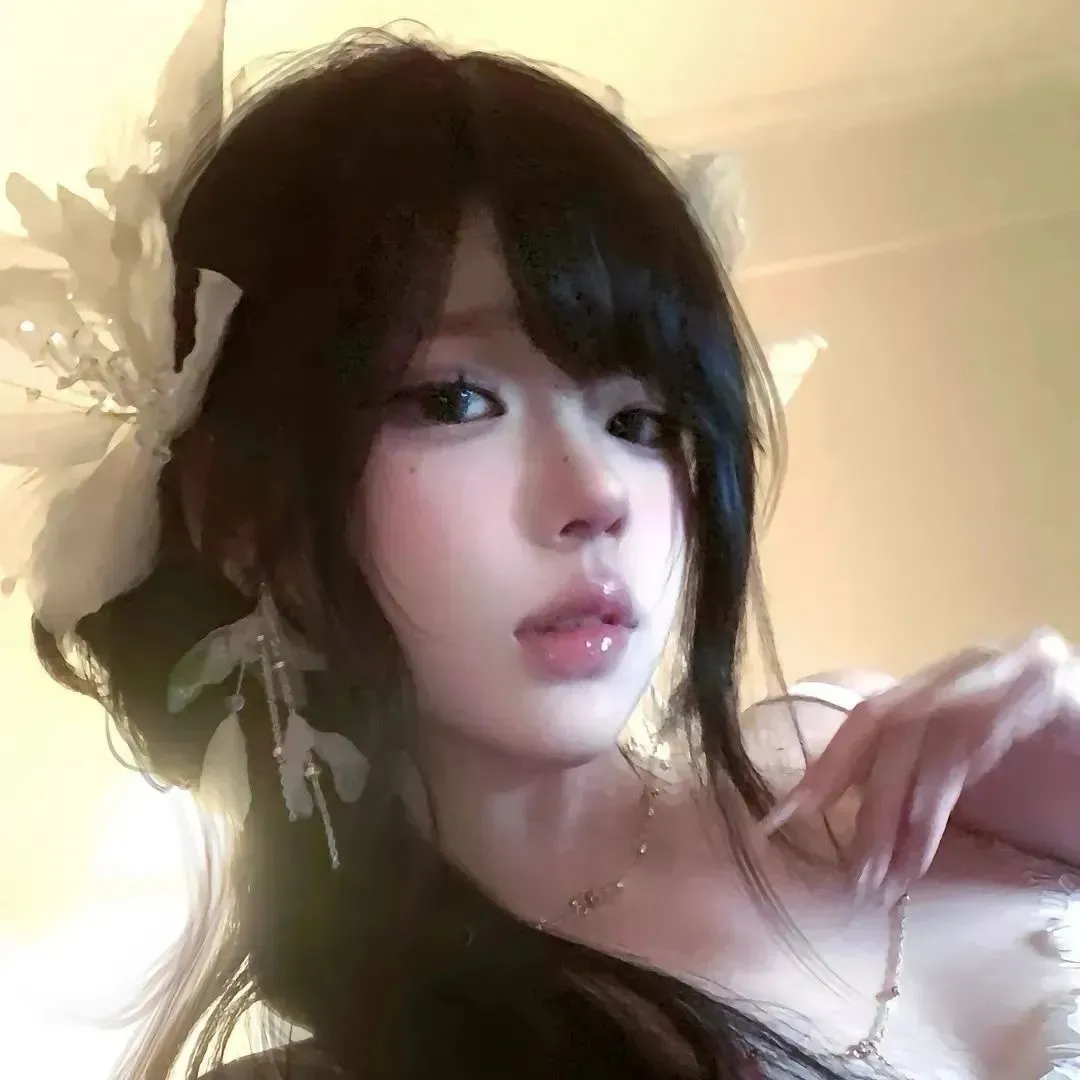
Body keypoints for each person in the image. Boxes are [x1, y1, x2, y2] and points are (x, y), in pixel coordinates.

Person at [2, 4, 1077, 1079]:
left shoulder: (859, 753)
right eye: (457, 400)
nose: (598, 495)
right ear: (243, 514)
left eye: (640, 420)